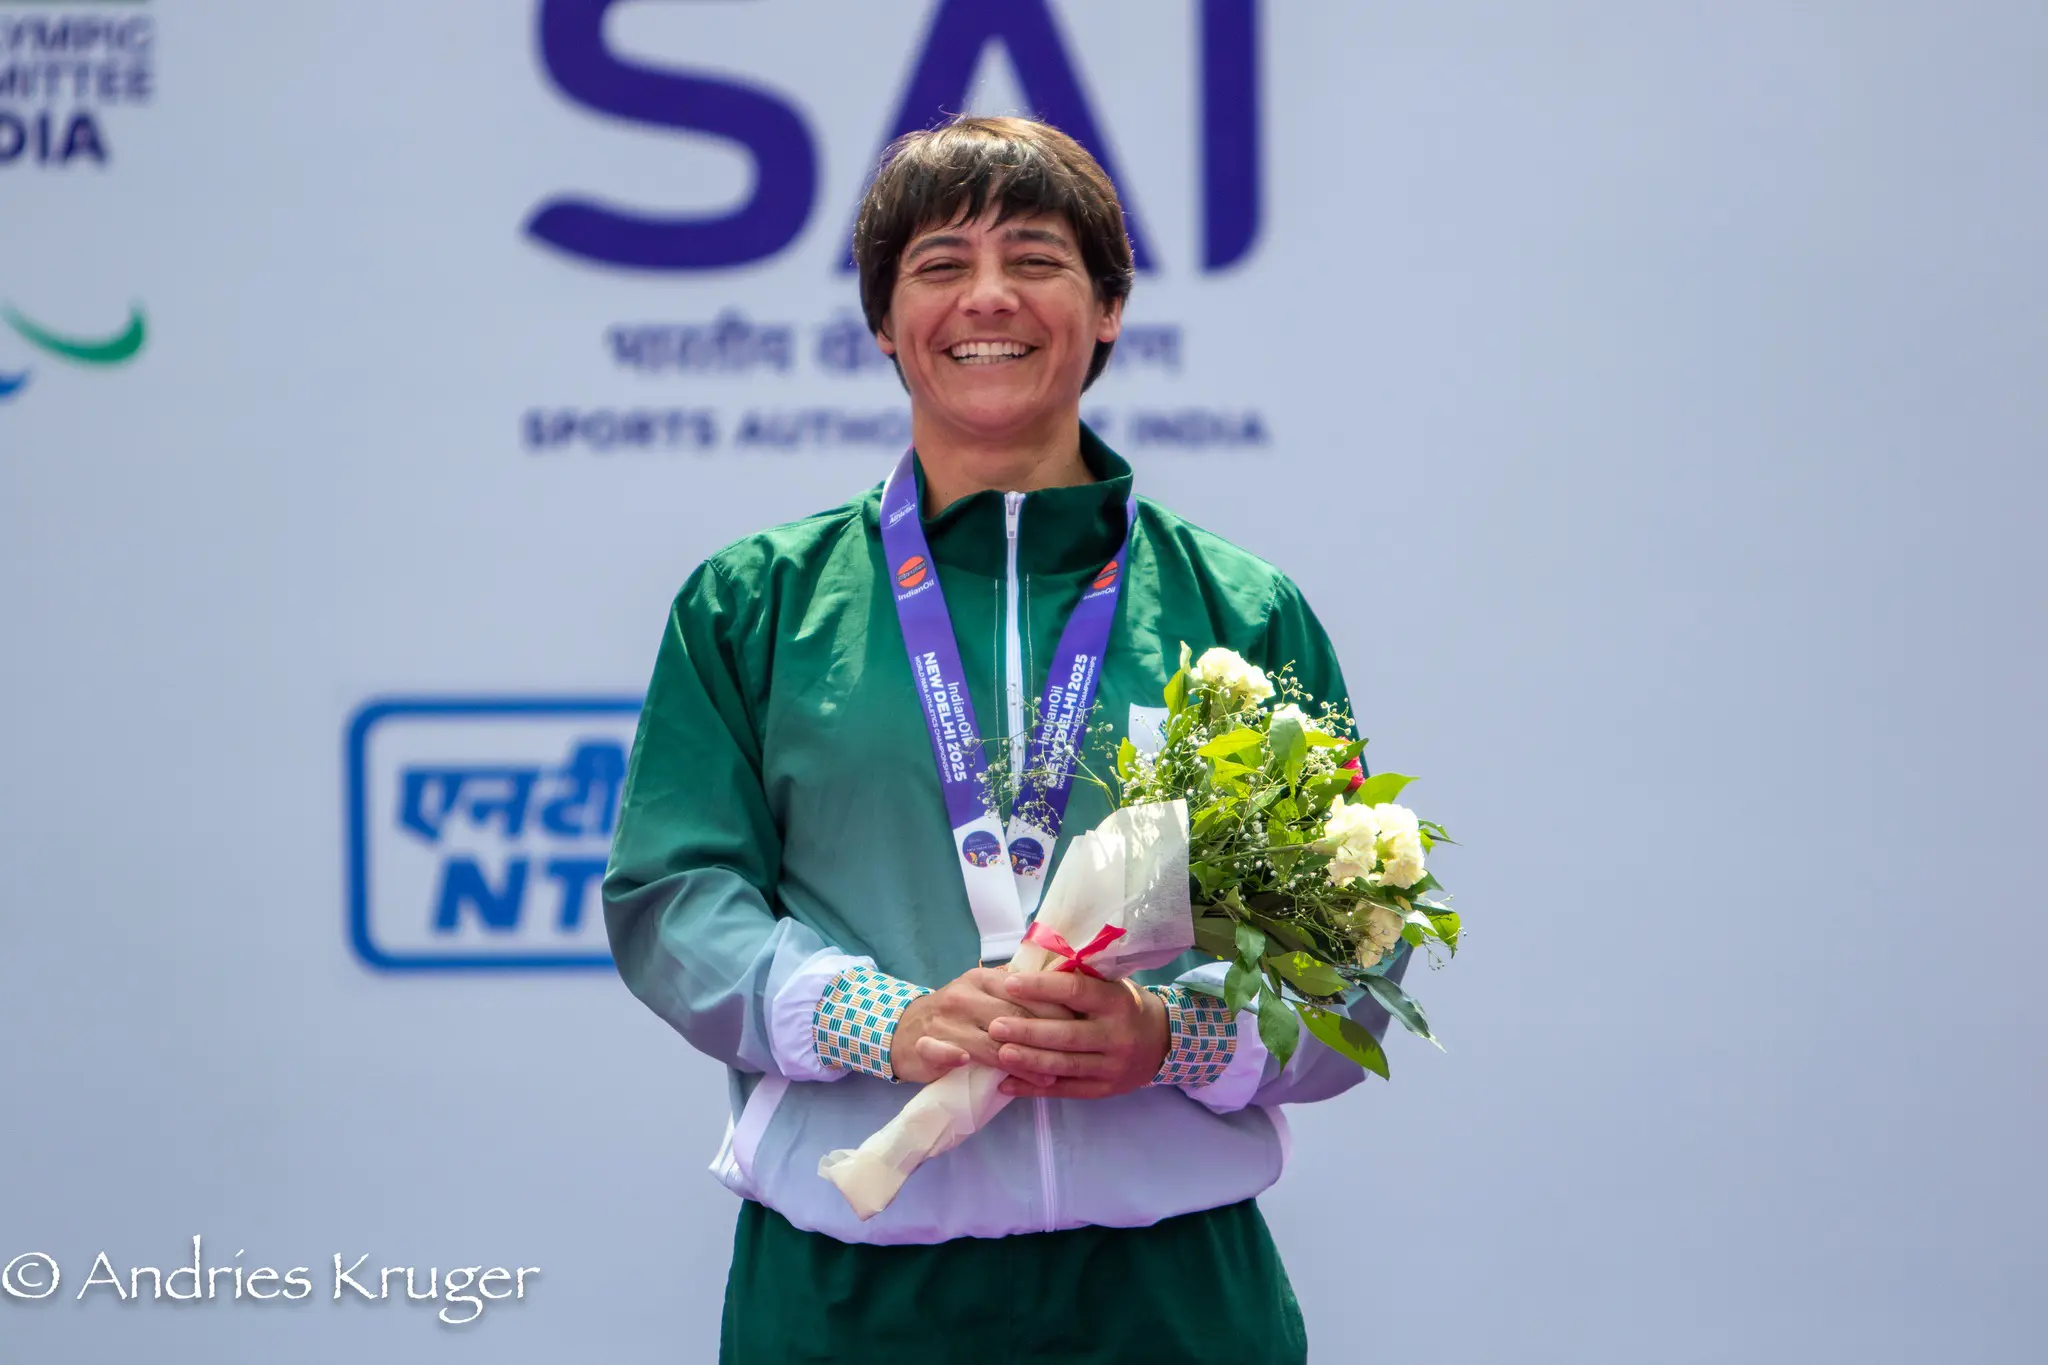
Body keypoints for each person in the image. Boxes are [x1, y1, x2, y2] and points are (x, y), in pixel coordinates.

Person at [602, 115, 1411, 1365]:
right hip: (844, 1297)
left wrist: (1171, 1035)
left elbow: (1349, 962)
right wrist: (880, 1020)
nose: (988, 297)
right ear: (883, 321)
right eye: (938, 265)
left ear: (1107, 308)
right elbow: (673, 899)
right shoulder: (754, 604)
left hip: (1172, 1298)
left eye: (1034, 258)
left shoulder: (1241, 613)